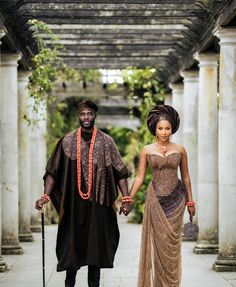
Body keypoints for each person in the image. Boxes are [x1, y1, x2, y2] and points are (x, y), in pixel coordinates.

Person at [35, 100, 132, 287]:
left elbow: (120, 172)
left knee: (95, 249)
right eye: (82, 114)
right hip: (73, 208)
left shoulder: (107, 141)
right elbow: (52, 172)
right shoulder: (67, 141)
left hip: (98, 208)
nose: (86, 117)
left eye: (89, 114)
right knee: (71, 248)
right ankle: (69, 283)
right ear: (78, 116)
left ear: (95, 116)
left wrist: (126, 198)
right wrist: (45, 196)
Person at [129, 104, 196, 287]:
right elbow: (140, 177)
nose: (164, 132)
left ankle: (172, 283)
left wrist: (190, 201)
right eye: (161, 129)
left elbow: (187, 177)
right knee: (159, 244)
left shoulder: (180, 149)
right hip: (155, 200)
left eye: (167, 128)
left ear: (172, 128)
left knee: (172, 245)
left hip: (177, 200)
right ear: (154, 129)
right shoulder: (147, 150)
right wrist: (129, 197)